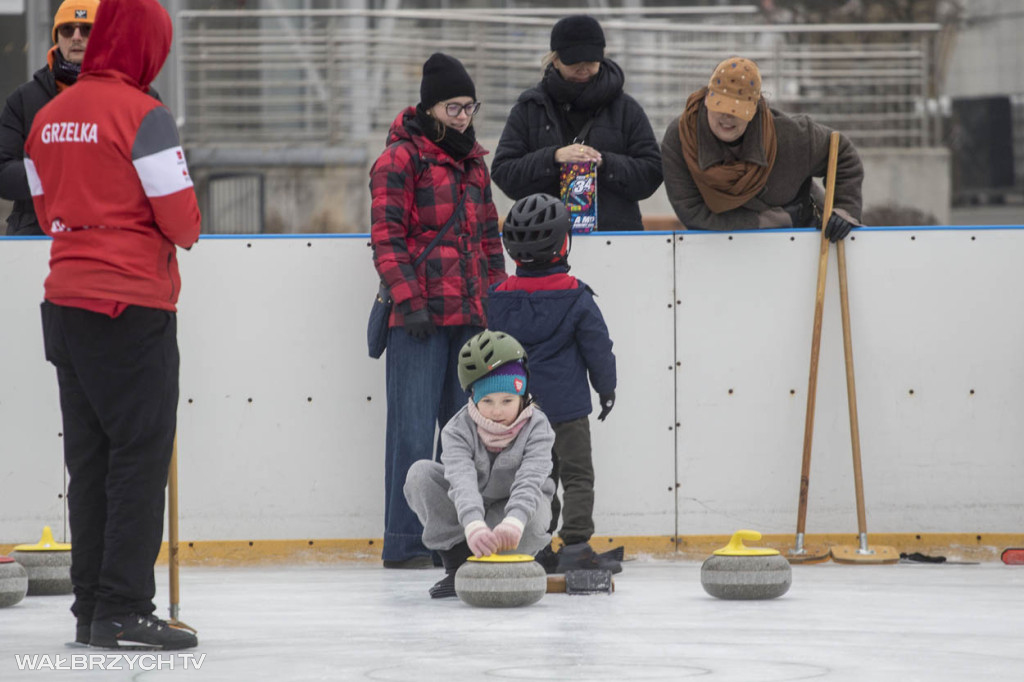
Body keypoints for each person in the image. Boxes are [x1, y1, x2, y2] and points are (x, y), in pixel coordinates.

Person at [24, 0, 200, 649]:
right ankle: (125, 607)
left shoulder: (45, 117)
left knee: (90, 458)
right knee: (137, 455)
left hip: (66, 304)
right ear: (145, 47)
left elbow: (46, 214)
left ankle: (92, 608)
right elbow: (183, 223)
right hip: (129, 305)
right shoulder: (144, 115)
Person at [369, 53, 507, 569]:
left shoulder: (474, 163)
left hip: (469, 320)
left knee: (461, 437)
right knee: (410, 432)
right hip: (419, 322)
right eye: (454, 107)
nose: (464, 117)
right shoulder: (399, 160)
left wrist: (498, 301)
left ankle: (451, 541)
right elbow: (387, 240)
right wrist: (410, 301)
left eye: (470, 107)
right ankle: (405, 541)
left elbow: (490, 241)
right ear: (430, 108)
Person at [486, 193, 620, 574]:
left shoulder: (498, 298)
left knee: (537, 478)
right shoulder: (576, 296)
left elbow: (490, 353)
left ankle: (540, 544)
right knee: (577, 476)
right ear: (564, 244)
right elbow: (598, 347)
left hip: (521, 412)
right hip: (568, 411)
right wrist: (605, 388)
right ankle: (576, 544)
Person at [404, 330, 556, 598]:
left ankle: (512, 553)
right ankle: (457, 565)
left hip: (513, 513)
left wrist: (515, 520)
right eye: (487, 401)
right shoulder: (457, 429)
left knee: (535, 519)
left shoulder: (538, 426)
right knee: (420, 475)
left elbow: (531, 479)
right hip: (469, 513)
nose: (497, 411)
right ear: (473, 397)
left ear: (523, 396)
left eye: (507, 401)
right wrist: (473, 525)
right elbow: (460, 480)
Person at [491, 14, 663, 231]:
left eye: (590, 62)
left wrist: (603, 163)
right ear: (555, 60)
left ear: (602, 57)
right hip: (544, 240)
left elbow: (652, 174)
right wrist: (553, 158)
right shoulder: (530, 107)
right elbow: (504, 173)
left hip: (616, 239)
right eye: (574, 62)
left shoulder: (626, 108)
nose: (583, 69)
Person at [661, 56, 864, 238]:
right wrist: (771, 221)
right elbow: (692, 212)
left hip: (802, 236)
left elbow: (842, 153)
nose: (727, 117)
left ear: (754, 110)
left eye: (737, 110)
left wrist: (843, 210)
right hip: (720, 244)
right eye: (719, 106)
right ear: (707, 99)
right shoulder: (681, 138)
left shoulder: (790, 135)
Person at [1, 1, 100, 236]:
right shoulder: (24, 100)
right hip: (35, 238)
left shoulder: (130, 97)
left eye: (86, 29)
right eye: (67, 29)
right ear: (57, 36)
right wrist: (59, 177)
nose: (76, 37)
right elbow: (2, 170)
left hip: (105, 236)